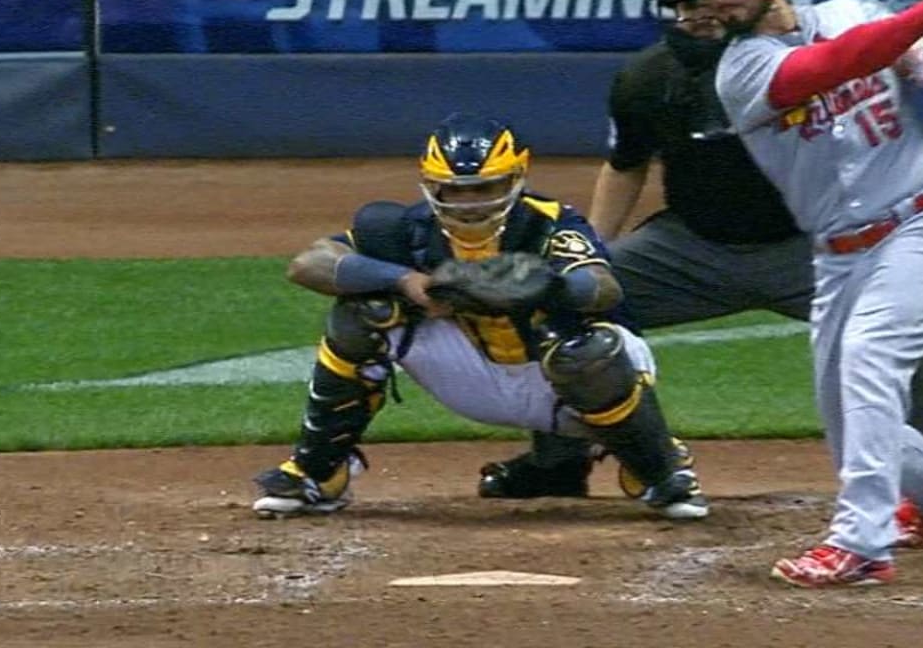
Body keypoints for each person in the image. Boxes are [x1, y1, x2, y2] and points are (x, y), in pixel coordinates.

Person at [476, 0, 923, 529]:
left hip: (812, 249)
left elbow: (914, 70)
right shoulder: (647, 79)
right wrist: (588, 256)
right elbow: (625, 167)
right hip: (691, 249)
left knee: (899, 319)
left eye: (709, 0)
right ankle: (561, 459)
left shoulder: (788, 56)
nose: (699, 15)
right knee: (564, 300)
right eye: (687, 4)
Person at [681, 0, 923, 587]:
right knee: (849, 418)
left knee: (869, 357)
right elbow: (831, 64)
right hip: (837, 256)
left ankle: (861, 544)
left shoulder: (854, 11)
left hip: (919, 228)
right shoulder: (741, 69)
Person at [251, 112, 708, 522]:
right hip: (473, 376)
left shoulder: (550, 222)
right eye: (455, 190)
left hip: (576, 377)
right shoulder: (405, 230)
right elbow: (307, 264)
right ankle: (318, 471)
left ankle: (657, 466)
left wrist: (547, 285)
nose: (469, 202)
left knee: (582, 353)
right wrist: (407, 282)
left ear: (515, 178)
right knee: (363, 312)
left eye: (483, 188)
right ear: (432, 186)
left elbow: (604, 287)